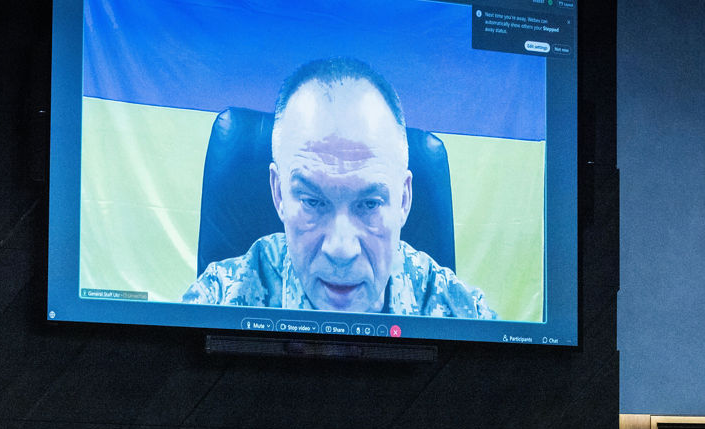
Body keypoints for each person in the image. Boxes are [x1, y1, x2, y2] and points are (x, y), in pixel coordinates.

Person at [183, 57, 496, 320]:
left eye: (370, 204)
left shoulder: (462, 314)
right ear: (278, 194)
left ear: (403, 199)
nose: (341, 250)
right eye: (312, 202)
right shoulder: (218, 301)